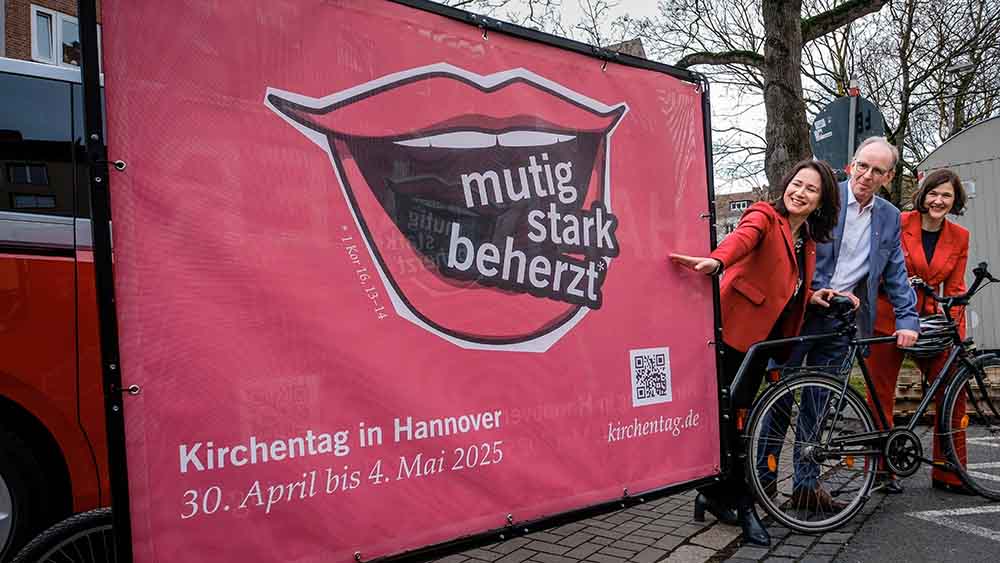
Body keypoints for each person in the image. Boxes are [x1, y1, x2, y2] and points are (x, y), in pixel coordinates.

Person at [670, 159, 840, 546]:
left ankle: (711, 493)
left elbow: (782, 284)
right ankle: (743, 506)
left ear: (821, 201)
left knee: (733, 424)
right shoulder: (764, 215)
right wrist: (717, 260)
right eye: (797, 184)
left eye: (811, 189)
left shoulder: (807, 241)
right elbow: (742, 239)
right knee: (731, 425)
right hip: (732, 334)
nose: (800, 192)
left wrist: (811, 296)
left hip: (763, 344)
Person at [758, 137, 921, 511]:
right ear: (851, 165)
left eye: (877, 170)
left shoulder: (889, 216)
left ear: (888, 176)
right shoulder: (824, 197)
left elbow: (896, 273)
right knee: (779, 402)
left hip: (841, 323)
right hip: (800, 314)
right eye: (862, 166)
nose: (867, 175)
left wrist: (908, 318)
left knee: (819, 407)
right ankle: (764, 485)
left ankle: (805, 486)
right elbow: (791, 247)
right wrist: (809, 290)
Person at [867, 169, 971, 494]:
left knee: (954, 387)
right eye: (934, 193)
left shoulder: (959, 237)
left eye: (947, 196)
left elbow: (954, 288)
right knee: (880, 396)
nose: (939, 200)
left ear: (955, 201)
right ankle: (883, 472)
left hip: (928, 324)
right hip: (888, 317)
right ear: (923, 195)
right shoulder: (899, 222)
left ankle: (950, 471)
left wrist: (957, 336)